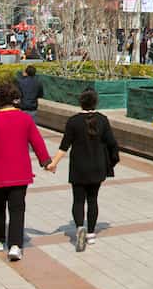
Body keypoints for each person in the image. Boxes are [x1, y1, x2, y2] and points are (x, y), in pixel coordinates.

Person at [0, 82, 51, 262]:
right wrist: (46, 162)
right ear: (16, 100)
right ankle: (15, 246)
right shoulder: (25, 119)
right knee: (17, 210)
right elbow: (37, 143)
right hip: (20, 174)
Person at [46, 89, 119, 252]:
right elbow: (113, 144)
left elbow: (64, 146)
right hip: (97, 166)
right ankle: (91, 234)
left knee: (78, 200)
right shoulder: (103, 120)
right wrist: (112, 163)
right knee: (93, 200)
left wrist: (53, 163)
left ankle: (80, 227)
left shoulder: (73, 121)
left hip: (78, 167)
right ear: (95, 102)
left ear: (81, 102)